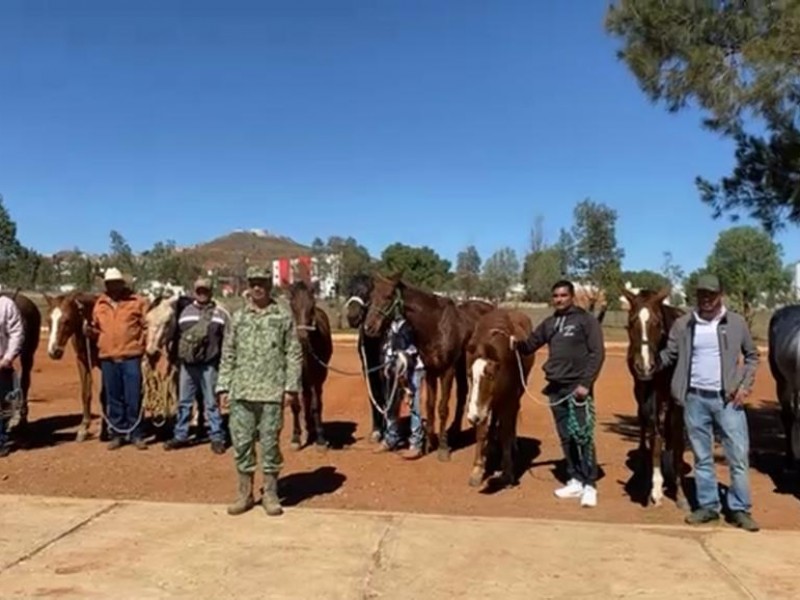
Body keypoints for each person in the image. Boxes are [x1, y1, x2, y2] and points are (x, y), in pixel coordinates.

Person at [656, 274, 760, 532]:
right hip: (694, 399)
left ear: (720, 295)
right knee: (702, 458)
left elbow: (752, 356)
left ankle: (739, 509)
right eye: (702, 294)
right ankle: (708, 507)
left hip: (728, 401)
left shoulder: (736, 323)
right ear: (696, 295)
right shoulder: (683, 324)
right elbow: (669, 355)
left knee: (737, 457)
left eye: (711, 295)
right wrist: (649, 361)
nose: (706, 300)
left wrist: (744, 386)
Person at [510, 280, 605, 508]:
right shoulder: (551, 323)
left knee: (582, 435)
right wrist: (514, 343)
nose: (559, 299)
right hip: (556, 387)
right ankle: (574, 479)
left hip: (578, 388)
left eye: (563, 295)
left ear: (571, 296)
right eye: (555, 296)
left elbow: (597, 354)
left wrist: (585, 384)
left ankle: (590, 483)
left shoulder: (586, 321)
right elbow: (531, 344)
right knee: (565, 435)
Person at [216, 266, 302, 517]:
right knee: (241, 444)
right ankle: (244, 494)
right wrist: (223, 386)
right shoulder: (239, 317)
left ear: (269, 285)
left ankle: (271, 493)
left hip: (271, 393)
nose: (257, 287)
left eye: (262, 283)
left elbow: (294, 353)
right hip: (241, 392)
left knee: (270, 445)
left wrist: (291, 387)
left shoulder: (283, 317)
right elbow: (228, 353)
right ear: (248, 286)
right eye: (253, 282)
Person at [85, 268, 150, 450]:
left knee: (133, 396)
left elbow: (147, 326)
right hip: (108, 357)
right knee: (113, 397)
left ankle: (136, 433)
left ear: (122, 284)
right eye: (109, 283)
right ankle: (117, 433)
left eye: (116, 283)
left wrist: (143, 346)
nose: (112, 286)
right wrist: (91, 333)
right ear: (106, 285)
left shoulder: (137, 302)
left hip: (131, 356)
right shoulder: (100, 304)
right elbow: (97, 329)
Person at [163, 277, 229, 454]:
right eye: (199, 290)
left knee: (211, 402)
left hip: (209, 365)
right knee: (184, 402)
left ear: (210, 292)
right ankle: (181, 435)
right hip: (187, 365)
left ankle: (217, 437)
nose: (202, 294)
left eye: (205, 291)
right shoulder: (184, 312)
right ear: (194, 291)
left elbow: (228, 340)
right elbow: (175, 335)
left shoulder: (220, 313)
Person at [375, 313, 425, 460]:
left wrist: (405, 359)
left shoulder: (414, 324)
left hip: (414, 368)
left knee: (414, 405)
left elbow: (416, 348)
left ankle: (416, 443)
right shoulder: (388, 326)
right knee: (390, 403)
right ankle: (391, 437)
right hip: (391, 368)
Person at [0, 295, 24, 457]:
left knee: (3, 403)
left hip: (1, 363)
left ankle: (1, 439)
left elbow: (16, 332)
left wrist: (8, 357)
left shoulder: (6, 305)